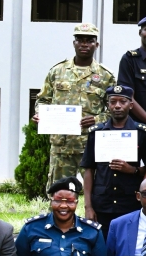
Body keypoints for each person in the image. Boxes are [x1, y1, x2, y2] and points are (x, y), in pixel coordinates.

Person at [33, 23, 116, 189]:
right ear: (74, 43)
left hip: (91, 145)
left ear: (96, 45)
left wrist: (97, 119)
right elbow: (42, 100)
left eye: (89, 40)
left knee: (96, 193)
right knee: (58, 192)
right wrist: (40, 115)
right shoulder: (57, 71)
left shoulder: (106, 76)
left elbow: (115, 110)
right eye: (80, 40)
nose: (84, 44)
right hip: (62, 146)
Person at [81, 85, 146, 237]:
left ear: (131, 105)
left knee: (128, 245)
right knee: (102, 248)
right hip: (102, 203)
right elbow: (89, 170)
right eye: (113, 102)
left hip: (130, 203)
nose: (118, 106)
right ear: (108, 105)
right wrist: (88, 206)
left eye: (123, 102)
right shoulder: (97, 132)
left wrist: (132, 170)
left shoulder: (142, 132)